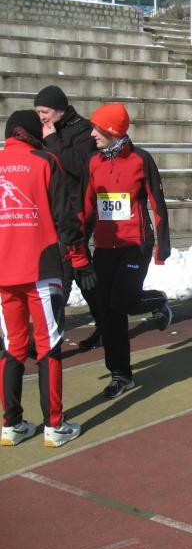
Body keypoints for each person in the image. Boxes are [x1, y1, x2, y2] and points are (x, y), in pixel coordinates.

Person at [0, 110, 95, 447]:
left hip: (4, 272)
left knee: (12, 347)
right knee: (48, 346)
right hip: (41, 269)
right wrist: (80, 259)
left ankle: (12, 424)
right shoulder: (45, 161)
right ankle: (54, 426)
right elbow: (65, 216)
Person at [83, 104, 172, 399]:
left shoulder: (140, 159)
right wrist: (78, 246)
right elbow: (86, 208)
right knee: (109, 311)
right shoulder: (93, 162)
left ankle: (158, 299)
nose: (92, 134)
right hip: (104, 247)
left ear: (113, 131)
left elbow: (157, 203)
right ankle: (120, 374)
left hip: (135, 244)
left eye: (97, 129)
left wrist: (162, 248)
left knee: (121, 301)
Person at [34, 85, 104, 351]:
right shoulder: (51, 129)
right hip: (55, 209)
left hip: (77, 210)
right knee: (80, 271)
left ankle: (49, 337)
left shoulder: (83, 130)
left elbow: (80, 166)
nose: (41, 116)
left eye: (45, 111)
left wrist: (52, 140)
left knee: (63, 269)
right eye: (38, 112)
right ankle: (106, 324)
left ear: (60, 109)